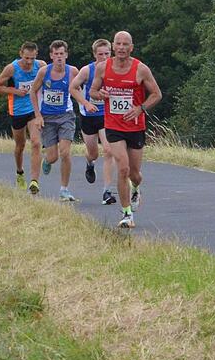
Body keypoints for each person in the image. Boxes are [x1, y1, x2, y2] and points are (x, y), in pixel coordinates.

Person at [89, 31, 162, 228]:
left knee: (135, 174)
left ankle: (136, 187)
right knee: (123, 167)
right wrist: (100, 94)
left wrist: (141, 108)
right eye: (118, 44)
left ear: (131, 47)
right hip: (113, 126)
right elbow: (92, 91)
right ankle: (127, 214)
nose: (121, 47)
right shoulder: (103, 68)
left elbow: (156, 94)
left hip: (135, 126)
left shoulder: (141, 69)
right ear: (113, 46)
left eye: (125, 44)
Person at [0, 42, 46, 193]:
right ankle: (20, 172)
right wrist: (15, 91)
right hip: (17, 111)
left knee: (36, 143)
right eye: (26, 58)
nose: (29, 62)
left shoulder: (41, 65)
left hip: (34, 109)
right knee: (20, 146)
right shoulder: (12, 68)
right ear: (21, 53)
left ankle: (34, 181)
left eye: (32, 58)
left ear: (36, 54)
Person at [30, 39, 80, 201]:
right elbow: (33, 91)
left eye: (62, 54)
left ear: (66, 55)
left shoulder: (73, 71)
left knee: (65, 152)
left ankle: (64, 189)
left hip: (66, 115)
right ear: (51, 55)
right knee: (53, 157)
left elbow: (81, 88)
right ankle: (47, 160)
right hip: (48, 117)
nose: (59, 57)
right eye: (56, 54)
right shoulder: (44, 72)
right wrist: (37, 115)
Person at [69, 38, 117, 205]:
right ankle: (90, 164)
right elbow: (73, 88)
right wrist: (86, 103)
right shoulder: (87, 71)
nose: (104, 57)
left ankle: (107, 191)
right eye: (100, 54)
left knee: (109, 151)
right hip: (88, 116)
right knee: (93, 153)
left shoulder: (115, 69)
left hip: (106, 115)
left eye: (107, 54)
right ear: (95, 55)